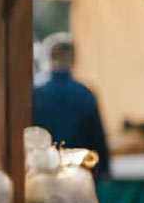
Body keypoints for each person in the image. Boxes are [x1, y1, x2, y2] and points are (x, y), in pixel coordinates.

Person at [31, 31, 111, 180]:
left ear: (49, 58)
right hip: (78, 175)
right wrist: (105, 170)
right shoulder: (85, 93)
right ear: (73, 59)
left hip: (42, 174)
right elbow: (98, 136)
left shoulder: (36, 93)